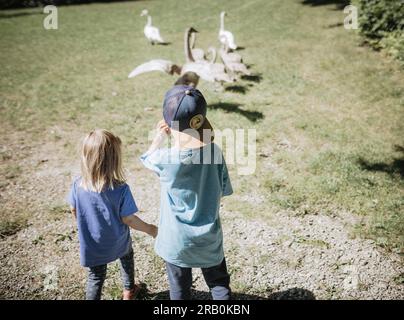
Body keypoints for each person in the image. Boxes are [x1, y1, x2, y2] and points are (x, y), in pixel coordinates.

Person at [140, 85, 233, 300]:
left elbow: (146, 158)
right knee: (219, 286)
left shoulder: (165, 159)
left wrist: (159, 138)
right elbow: (223, 189)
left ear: (169, 125)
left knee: (179, 291)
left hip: (176, 242)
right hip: (209, 238)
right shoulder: (214, 152)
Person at [67, 129, 158, 300]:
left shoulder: (77, 185)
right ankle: (129, 290)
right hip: (118, 241)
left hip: (93, 244)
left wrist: (85, 225)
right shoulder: (121, 189)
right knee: (127, 257)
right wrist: (151, 229)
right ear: (114, 161)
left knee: (95, 277)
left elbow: (74, 209)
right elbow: (129, 218)